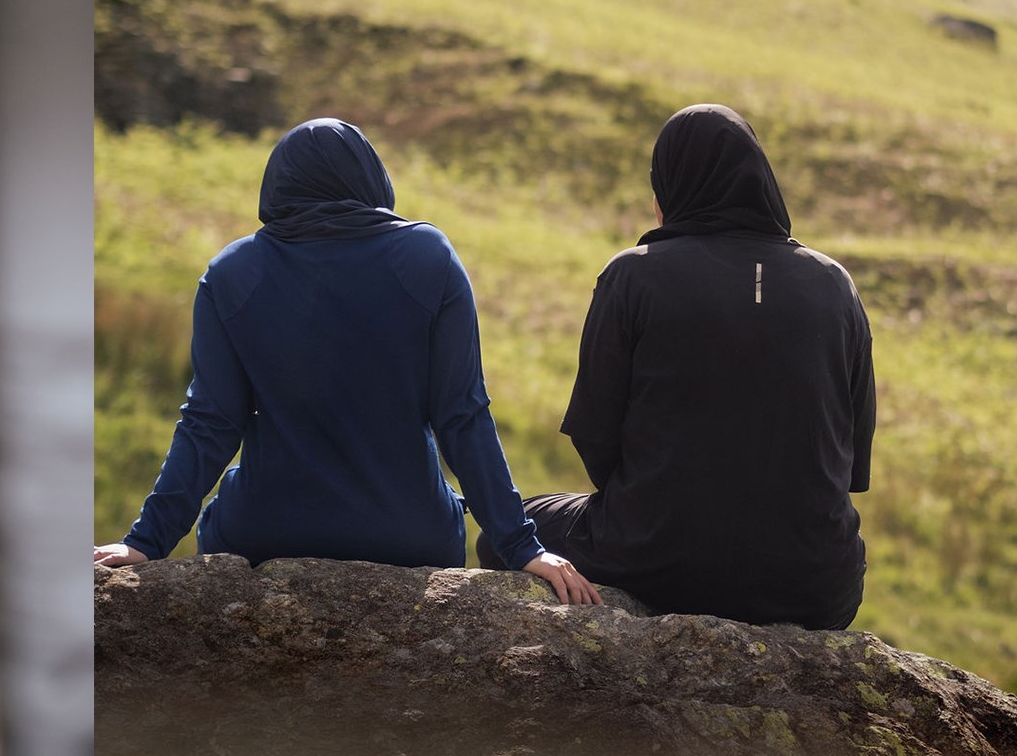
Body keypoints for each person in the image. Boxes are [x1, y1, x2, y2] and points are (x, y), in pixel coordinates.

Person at [94, 118, 597, 606]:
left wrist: (147, 541)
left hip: (263, 533)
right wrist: (520, 545)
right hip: (407, 536)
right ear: (369, 177)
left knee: (224, 506)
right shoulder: (427, 258)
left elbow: (211, 422)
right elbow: (461, 415)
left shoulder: (232, 273)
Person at [482, 103, 874, 630]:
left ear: (669, 184)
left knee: (505, 534)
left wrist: (655, 502)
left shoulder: (632, 277)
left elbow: (595, 436)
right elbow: (851, 463)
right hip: (816, 586)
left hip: (655, 560)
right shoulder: (834, 285)